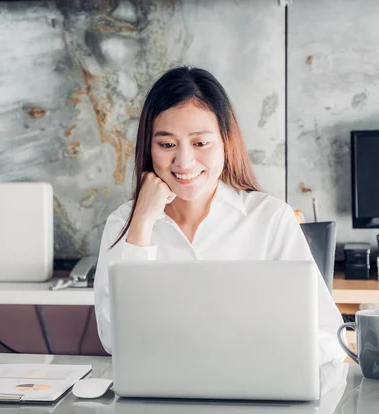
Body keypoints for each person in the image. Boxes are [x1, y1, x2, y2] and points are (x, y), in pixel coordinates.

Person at [93, 66, 346, 364]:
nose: (184, 161)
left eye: (200, 143)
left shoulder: (271, 218)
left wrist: (262, 354)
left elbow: (329, 336)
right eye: (166, 144)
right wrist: (142, 225)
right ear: (149, 148)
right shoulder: (124, 224)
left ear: (226, 142)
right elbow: (114, 340)